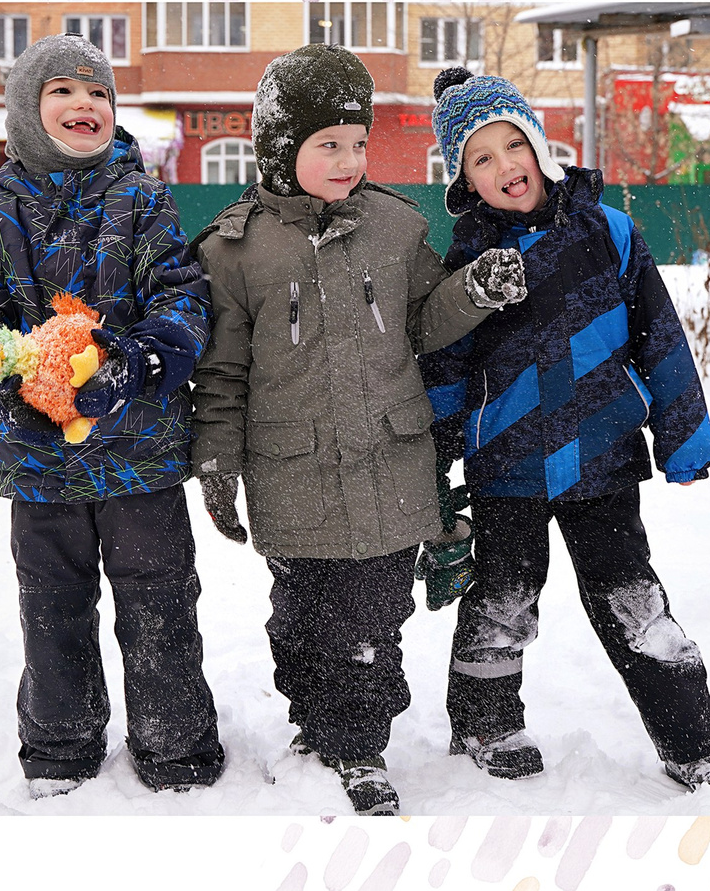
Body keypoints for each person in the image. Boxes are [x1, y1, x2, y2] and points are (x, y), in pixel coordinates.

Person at [186, 44, 525, 818]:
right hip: (291, 470)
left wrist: (473, 290)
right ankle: (318, 724)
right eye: (326, 144)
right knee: (305, 615)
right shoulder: (234, 251)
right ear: (281, 148)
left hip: (388, 462)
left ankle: (361, 742)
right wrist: (216, 462)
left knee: (376, 616)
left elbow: (427, 323)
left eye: (358, 142)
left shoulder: (395, 228)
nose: (348, 160)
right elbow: (223, 374)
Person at [418, 68, 710, 797]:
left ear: (539, 145)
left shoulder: (612, 234)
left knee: (638, 604)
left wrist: (684, 435)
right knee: (501, 601)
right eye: (482, 158)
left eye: (513, 146)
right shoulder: (467, 265)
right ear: (464, 181)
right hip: (508, 468)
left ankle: (695, 745)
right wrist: (433, 462)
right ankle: (484, 724)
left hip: (603, 459)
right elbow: (443, 367)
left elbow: (660, 339)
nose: (505, 167)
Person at [0, 32, 224, 798]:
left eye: (99, 92)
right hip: (40, 459)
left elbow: (182, 298)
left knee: (160, 602)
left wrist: (135, 363)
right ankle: (61, 744)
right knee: (53, 607)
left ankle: (176, 747)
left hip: (140, 452)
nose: (86, 104)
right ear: (28, 114)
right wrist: (12, 385)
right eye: (63, 92)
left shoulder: (143, 200)